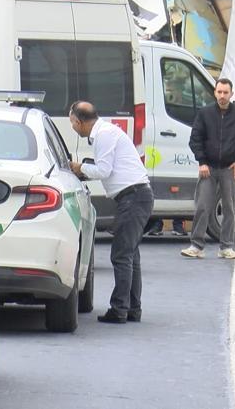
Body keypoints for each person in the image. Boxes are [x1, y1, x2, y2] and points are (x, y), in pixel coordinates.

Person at [68, 101, 154, 324]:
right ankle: (132, 308)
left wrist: (79, 168)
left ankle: (119, 309)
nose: (73, 127)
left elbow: (103, 170)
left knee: (121, 254)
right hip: (137, 195)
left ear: (79, 121)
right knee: (131, 254)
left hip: (133, 197)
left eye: (72, 123)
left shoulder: (103, 135)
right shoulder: (106, 131)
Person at [180, 78, 235, 259]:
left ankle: (226, 247)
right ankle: (196, 246)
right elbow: (195, 139)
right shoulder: (205, 113)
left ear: (231, 94)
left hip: (229, 169)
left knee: (229, 208)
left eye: (225, 92)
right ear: (214, 93)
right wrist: (202, 162)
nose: (222, 96)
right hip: (208, 168)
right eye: (219, 92)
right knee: (202, 206)